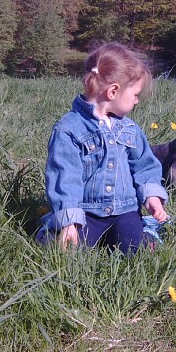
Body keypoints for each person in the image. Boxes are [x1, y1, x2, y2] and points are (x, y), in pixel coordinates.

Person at [38, 42, 168, 254]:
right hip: (86, 212)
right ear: (113, 91)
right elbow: (65, 177)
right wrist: (70, 222)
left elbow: (144, 165)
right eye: (135, 94)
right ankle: (54, 225)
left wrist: (152, 197)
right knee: (64, 251)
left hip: (125, 210)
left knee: (135, 250)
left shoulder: (129, 128)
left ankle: (147, 231)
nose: (137, 101)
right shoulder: (69, 129)